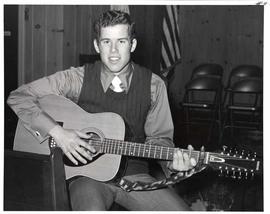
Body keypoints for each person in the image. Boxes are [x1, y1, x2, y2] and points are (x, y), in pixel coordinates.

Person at [7, 10, 197, 211]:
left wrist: (173, 164)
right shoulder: (76, 78)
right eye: (107, 42)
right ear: (97, 45)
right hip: (85, 176)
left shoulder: (154, 85)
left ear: (132, 44)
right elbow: (19, 96)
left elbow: (160, 139)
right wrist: (58, 133)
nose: (114, 51)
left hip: (135, 176)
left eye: (121, 42)